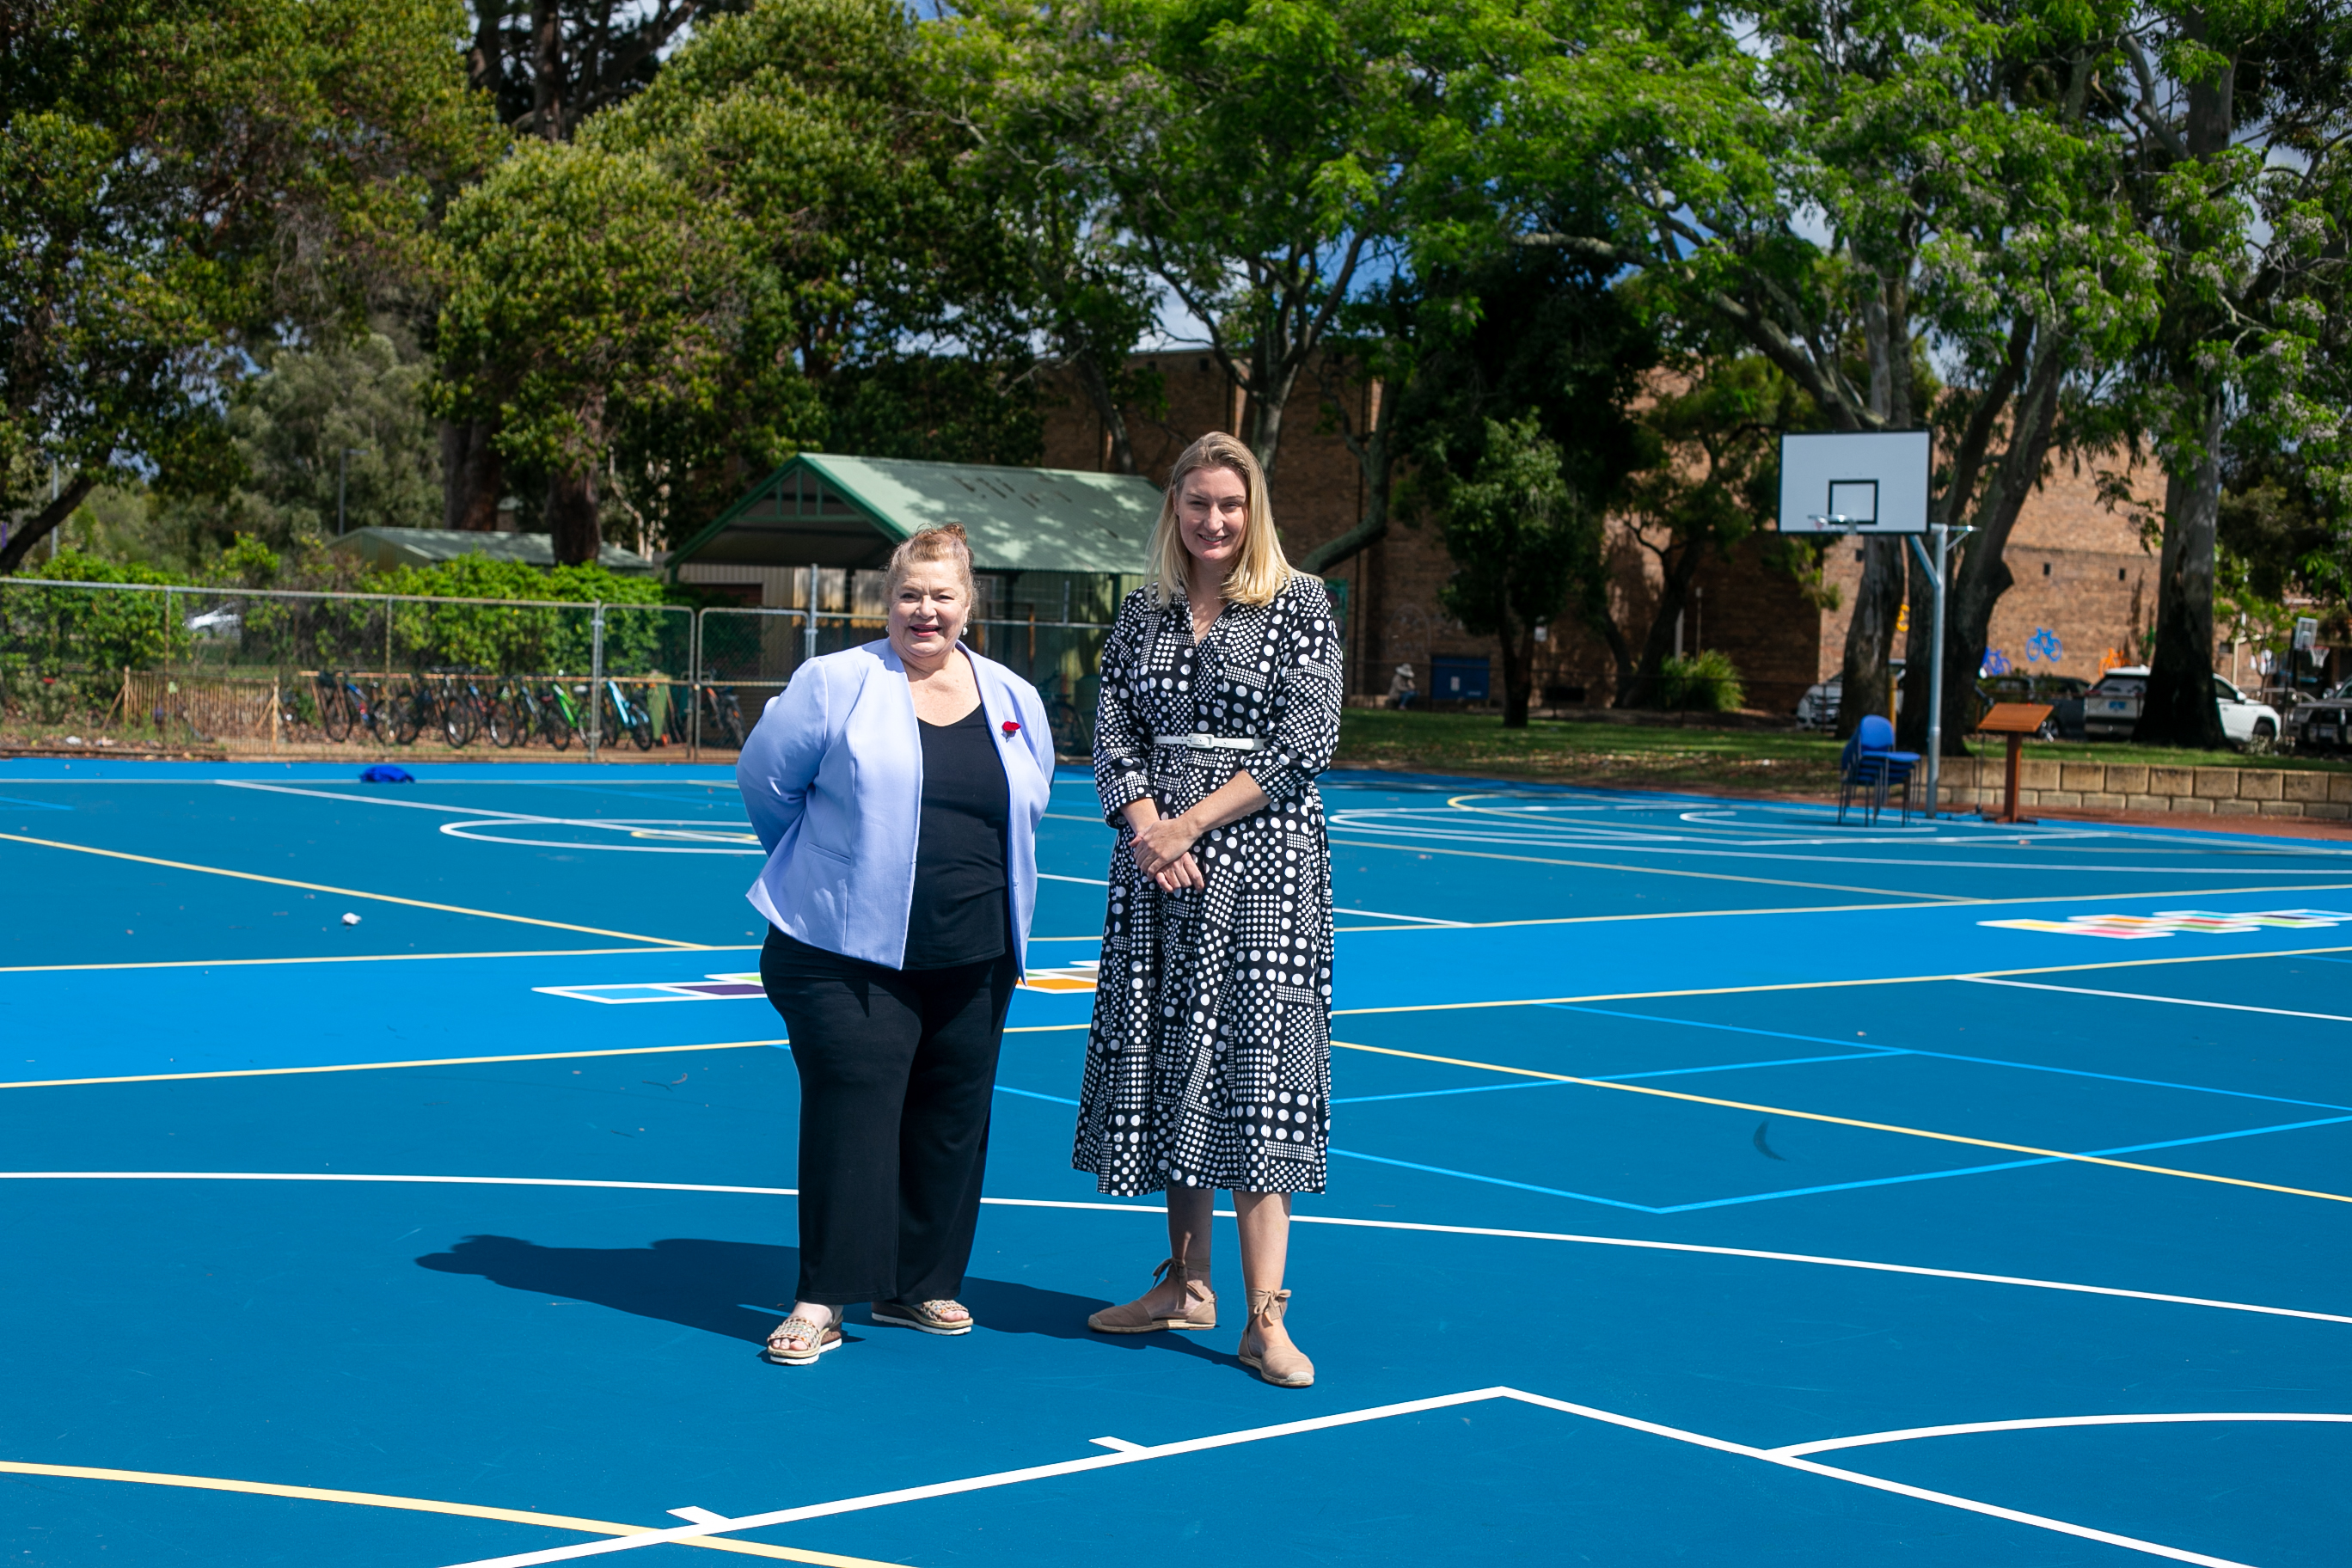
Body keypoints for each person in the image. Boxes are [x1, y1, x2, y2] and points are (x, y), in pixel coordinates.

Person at [736, 524, 1055, 1366]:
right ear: (888, 601)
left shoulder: (1015, 697)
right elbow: (766, 782)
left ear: (969, 603)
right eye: (910, 594)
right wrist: (828, 872)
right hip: (845, 948)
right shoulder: (835, 682)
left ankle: (916, 1285)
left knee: (953, 1115)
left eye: (942, 595)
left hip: (976, 946)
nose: (925, 610)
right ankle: (821, 1300)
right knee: (855, 1108)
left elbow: (1031, 802)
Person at [1073, 432, 1344, 1388]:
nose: (1214, 522)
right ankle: (1186, 1284)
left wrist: (1188, 823)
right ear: (1175, 510)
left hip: (1263, 868)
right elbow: (1110, 730)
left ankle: (1265, 1316)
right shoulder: (1141, 613)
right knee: (1170, 1064)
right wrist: (1149, 826)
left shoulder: (1300, 601)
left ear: (1253, 509)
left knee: (1258, 1077)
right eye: (1198, 504)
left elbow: (1307, 739)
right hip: (1157, 871)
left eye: (1230, 505)